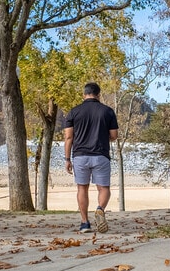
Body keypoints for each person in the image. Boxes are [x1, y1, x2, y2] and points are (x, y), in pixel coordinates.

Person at [64, 82, 119, 233]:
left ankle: (84, 223)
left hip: (80, 156)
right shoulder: (107, 111)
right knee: (104, 188)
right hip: (101, 155)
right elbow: (114, 135)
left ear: (84, 94)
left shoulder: (74, 112)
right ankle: (100, 209)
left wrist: (67, 159)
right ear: (98, 94)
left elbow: (69, 137)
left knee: (82, 188)